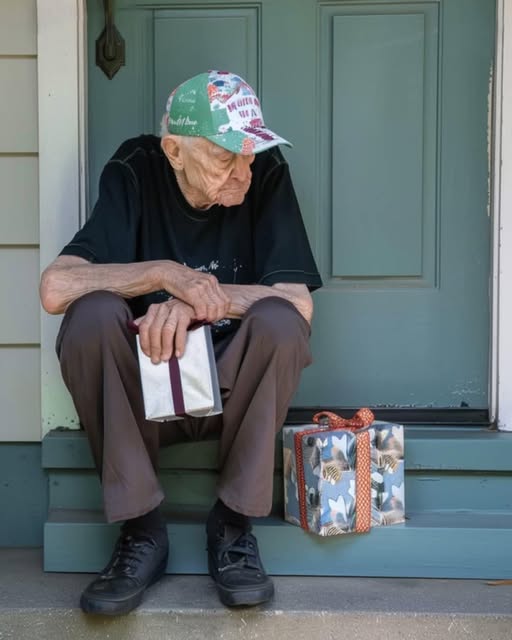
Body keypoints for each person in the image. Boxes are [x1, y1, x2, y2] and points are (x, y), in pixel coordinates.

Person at [40, 70, 322, 615]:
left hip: (229, 387)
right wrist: (165, 275)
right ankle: (142, 531)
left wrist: (196, 299)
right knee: (90, 314)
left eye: (251, 156)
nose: (243, 172)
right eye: (225, 158)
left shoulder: (262, 174)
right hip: (145, 393)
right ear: (174, 150)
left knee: (283, 324)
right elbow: (56, 287)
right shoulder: (136, 169)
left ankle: (234, 525)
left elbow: (298, 303)